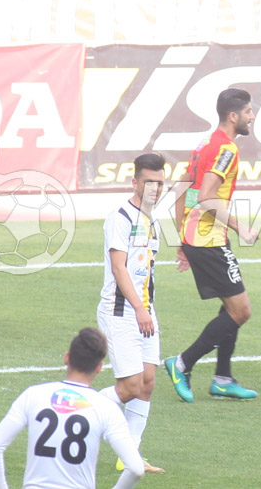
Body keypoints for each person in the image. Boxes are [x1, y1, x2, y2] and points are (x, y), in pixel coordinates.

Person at [164, 88, 259, 403]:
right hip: (208, 238)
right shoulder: (227, 148)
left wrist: (183, 237)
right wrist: (241, 227)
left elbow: (184, 190)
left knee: (230, 306)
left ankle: (222, 378)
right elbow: (205, 195)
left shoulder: (204, 145)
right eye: (248, 112)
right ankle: (182, 363)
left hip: (199, 236)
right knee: (241, 310)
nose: (252, 116)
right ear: (234, 116)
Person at [0, 327, 144, 489]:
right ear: (99, 368)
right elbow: (136, 469)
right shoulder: (107, 408)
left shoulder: (33, 395)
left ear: (67, 358)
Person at [96, 153, 165, 474]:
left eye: (160, 183)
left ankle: (129, 454)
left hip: (145, 312)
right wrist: (139, 308)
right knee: (130, 387)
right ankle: (82, 408)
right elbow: (118, 267)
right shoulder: (120, 217)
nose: (155, 188)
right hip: (122, 310)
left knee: (148, 382)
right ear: (135, 182)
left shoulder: (153, 220)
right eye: (149, 182)